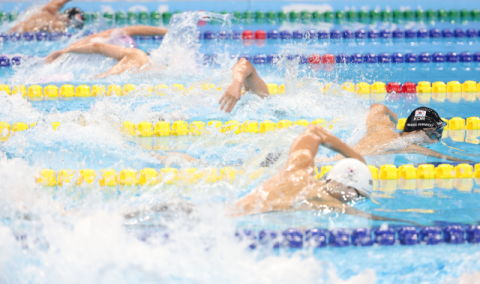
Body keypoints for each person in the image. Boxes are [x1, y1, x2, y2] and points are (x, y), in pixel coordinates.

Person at [231, 124, 420, 225]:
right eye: (356, 195)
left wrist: (354, 156)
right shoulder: (325, 200)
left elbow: (314, 131)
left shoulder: (298, 169)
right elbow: (372, 218)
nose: (351, 200)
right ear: (345, 186)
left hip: (228, 214)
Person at [316, 104, 472, 163]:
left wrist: (393, 116)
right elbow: (443, 157)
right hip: (332, 164)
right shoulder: (401, 145)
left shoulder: (381, 127)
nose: (435, 141)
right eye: (432, 135)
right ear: (417, 131)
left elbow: (377, 107)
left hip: (328, 158)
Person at [45, 25, 168, 78]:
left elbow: (97, 46)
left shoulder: (135, 53)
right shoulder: (149, 64)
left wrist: (64, 52)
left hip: (102, 79)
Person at [9, 0, 84, 33]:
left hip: (12, 31)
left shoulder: (48, 10)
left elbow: (59, 1)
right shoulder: (59, 25)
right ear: (68, 20)